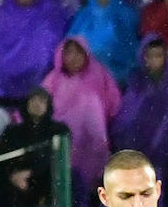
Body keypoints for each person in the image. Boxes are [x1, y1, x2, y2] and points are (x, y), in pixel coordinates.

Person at [110, 36, 168, 188]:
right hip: (142, 133)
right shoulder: (136, 79)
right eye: (150, 56)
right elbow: (128, 110)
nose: (154, 61)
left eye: (158, 56)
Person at [42, 37, 122, 196]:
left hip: (91, 144)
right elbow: (39, 105)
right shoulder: (53, 79)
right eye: (68, 53)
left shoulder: (99, 74)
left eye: (78, 52)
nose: (73, 57)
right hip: (61, 143)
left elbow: (115, 105)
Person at [0, 88, 69, 207]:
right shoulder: (12, 131)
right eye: (33, 100)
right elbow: (3, 157)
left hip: (45, 180)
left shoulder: (59, 130)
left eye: (41, 101)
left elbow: (57, 158)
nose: (37, 104)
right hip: (14, 182)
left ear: (48, 105)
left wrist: (31, 173)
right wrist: (13, 175)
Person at [69, 0, 141, 84]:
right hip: (81, 74)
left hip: (113, 77)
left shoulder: (125, 16)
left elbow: (128, 52)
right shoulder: (83, 16)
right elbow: (70, 44)